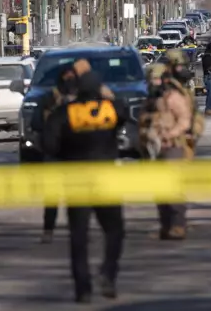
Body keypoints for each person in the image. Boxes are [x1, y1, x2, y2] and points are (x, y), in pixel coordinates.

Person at [41, 59, 127, 304]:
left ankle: (83, 289)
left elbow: (49, 144)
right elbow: (125, 115)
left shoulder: (66, 113)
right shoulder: (110, 109)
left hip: (77, 181)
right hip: (107, 181)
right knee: (115, 231)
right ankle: (108, 273)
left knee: (78, 237)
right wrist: (107, 96)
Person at [138, 62, 194, 240]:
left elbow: (185, 120)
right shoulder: (150, 99)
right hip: (154, 149)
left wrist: (171, 133)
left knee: (174, 189)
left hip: (172, 147)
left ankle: (178, 225)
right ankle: (166, 225)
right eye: (151, 79)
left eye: (156, 78)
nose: (153, 82)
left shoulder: (173, 97)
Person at [29, 64, 80, 243]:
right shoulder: (50, 98)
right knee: (55, 197)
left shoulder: (79, 98)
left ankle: (73, 231)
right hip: (58, 154)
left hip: (73, 154)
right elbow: (35, 123)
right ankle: (50, 230)